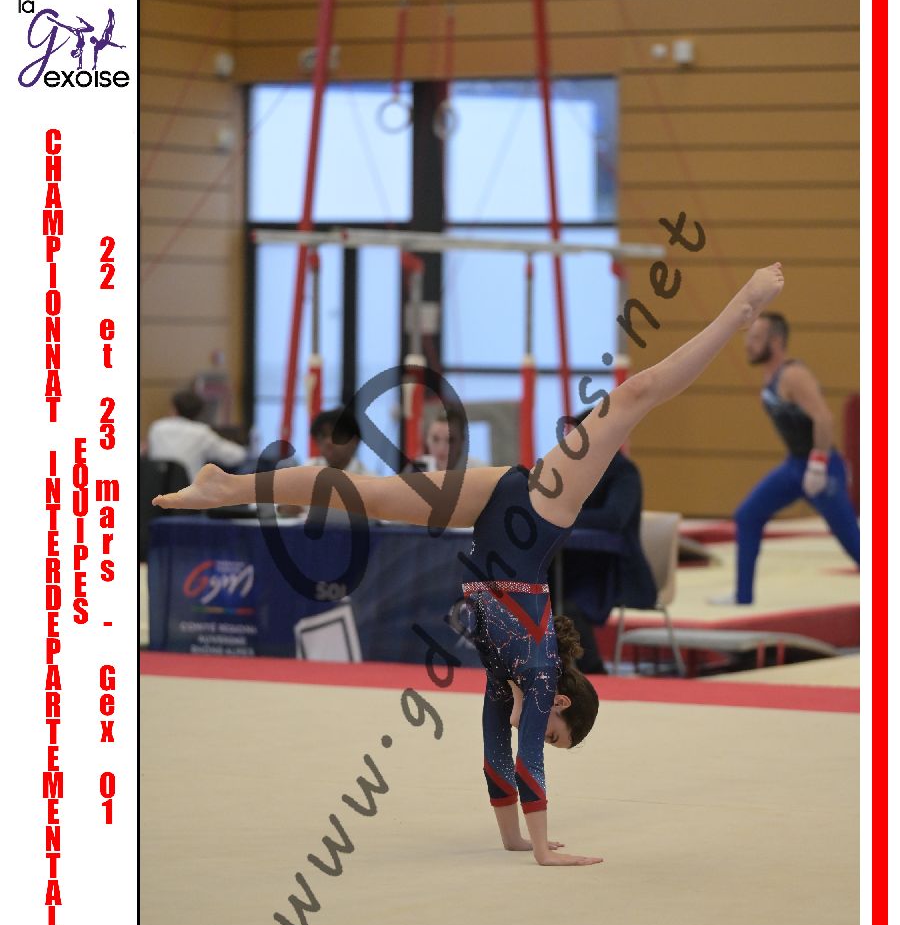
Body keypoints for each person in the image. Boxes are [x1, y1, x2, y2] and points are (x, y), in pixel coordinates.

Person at [154, 264, 786, 866]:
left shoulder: (505, 677)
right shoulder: (538, 674)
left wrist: (514, 840)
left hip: (496, 510)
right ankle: (742, 307)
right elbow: (528, 757)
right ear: (560, 700)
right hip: (540, 511)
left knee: (364, 495)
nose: (543, 735)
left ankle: (229, 486)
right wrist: (545, 848)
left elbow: (495, 753)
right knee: (634, 396)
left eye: (552, 738)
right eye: (557, 732)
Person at [711, 311, 860, 605]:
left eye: (756, 338)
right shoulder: (769, 376)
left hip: (821, 467)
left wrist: (818, 465)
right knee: (748, 515)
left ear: (776, 342)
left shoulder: (793, 375)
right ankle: (743, 595)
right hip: (794, 466)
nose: (748, 344)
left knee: (851, 540)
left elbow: (824, 419)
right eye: (748, 337)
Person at [551, 425, 657, 673]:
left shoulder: (623, 472)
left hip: (612, 568)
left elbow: (614, 517)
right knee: (532, 597)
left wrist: (565, 516)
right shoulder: (569, 472)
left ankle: (595, 671)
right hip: (572, 562)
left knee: (568, 608)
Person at [147, 389, 248, 481]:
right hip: (190, 491)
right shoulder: (201, 432)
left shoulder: (156, 427)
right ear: (199, 412)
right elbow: (235, 456)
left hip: (156, 490)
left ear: (174, 409)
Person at [304, 408, 369, 475]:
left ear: (355, 441)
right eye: (323, 436)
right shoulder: (307, 470)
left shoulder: (368, 478)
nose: (328, 442)